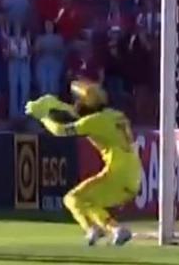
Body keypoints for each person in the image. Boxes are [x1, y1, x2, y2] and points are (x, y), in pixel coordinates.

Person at [25, 80, 140, 246]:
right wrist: (56, 104)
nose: (77, 103)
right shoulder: (114, 115)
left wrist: (42, 116)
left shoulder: (93, 121)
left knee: (72, 199)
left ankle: (96, 229)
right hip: (132, 176)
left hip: (116, 173)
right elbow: (80, 113)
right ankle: (110, 229)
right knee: (89, 202)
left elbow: (60, 130)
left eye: (80, 100)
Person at [5, 20, 32, 121]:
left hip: (24, 64)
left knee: (25, 88)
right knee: (13, 88)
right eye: (16, 27)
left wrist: (27, 55)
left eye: (19, 27)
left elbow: (30, 52)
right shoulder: (10, 40)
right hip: (13, 63)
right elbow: (6, 54)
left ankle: (23, 114)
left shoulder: (26, 39)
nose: (17, 29)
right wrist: (10, 54)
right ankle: (13, 115)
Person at [34, 20, 66, 97]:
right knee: (44, 85)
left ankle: (53, 105)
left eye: (50, 25)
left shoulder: (58, 38)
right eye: (46, 25)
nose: (48, 27)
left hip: (55, 63)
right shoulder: (40, 38)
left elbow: (62, 52)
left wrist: (54, 49)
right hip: (43, 62)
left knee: (53, 84)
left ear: (53, 26)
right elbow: (35, 51)